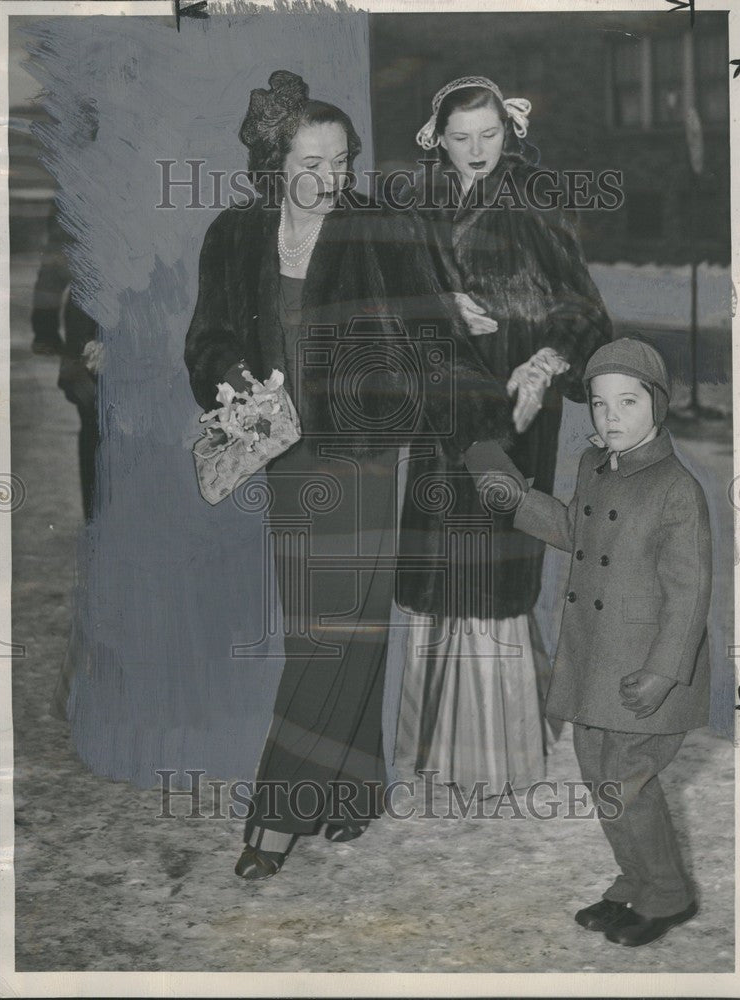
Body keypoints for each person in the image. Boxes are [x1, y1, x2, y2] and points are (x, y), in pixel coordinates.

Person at [184, 70, 520, 881]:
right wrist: (228, 376)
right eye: (310, 159)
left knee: (334, 629)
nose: (327, 176)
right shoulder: (235, 233)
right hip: (283, 450)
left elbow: (426, 314)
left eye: (340, 160)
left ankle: (275, 816)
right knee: (327, 626)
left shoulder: (375, 224)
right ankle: (353, 788)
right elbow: (209, 336)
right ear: (275, 159)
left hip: (364, 451)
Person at [395, 77, 612, 796]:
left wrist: (545, 363)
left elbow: (582, 308)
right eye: (461, 137)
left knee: (492, 569)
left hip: (516, 412)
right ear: (438, 138)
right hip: (442, 408)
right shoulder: (419, 204)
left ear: (509, 132)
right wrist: (438, 305)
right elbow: (386, 294)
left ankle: (495, 753)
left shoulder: (535, 201)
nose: (476, 150)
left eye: (488, 135)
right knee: (443, 570)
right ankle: (434, 748)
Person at [466, 338, 711, 947]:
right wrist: (515, 497)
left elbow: (689, 597)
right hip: (595, 660)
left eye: (628, 402)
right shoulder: (596, 467)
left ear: (658, 405)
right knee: (603, 779)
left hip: (644, 674)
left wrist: (664, 673)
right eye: (600, 405)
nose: (612, 417)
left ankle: (669, 895)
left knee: (627, 782)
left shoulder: (677, 490)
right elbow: (574, 530)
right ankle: (638, 878)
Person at [31, 204, 100, 522]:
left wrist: (44, 327)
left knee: (94, 427)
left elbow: (54, 264)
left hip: (88, 324)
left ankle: (99, 521)